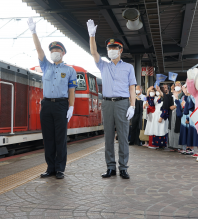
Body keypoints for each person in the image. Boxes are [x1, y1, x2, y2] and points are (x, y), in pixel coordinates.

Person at [28, 18, 77, 179]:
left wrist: (71, 107)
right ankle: (50, 168)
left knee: (60, 138)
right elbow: (38, 49)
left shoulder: (70, 71)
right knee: (48, 138)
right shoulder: (45, 66)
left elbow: (71, 90)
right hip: (47, 105)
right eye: (52, 50)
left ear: (63, 53)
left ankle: (60, 168)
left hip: (62, 105)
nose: (54, 52)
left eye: (57, 50)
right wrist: (33, 32)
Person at [87, 19, 136, 179]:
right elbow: (94, 53)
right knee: (108, 137)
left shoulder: (128, 67)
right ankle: (110, 168)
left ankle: (123, 168)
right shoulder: (103, 66)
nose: (111, 50)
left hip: (122, 103)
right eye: (109, 48)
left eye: (114, 48)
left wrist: (132, 106)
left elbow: (132, 88)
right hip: (107, 103)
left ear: (120, 50)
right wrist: (92, 35)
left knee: (122, 136)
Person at [163, 82, 182, 152]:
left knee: (178, 129)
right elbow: (168, 103)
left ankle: (179, 146)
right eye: (176, 85)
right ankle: (173, 146)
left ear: (181, 86)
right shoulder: (172, 94)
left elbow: (183, 104)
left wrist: (175, 106)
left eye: (178, 85)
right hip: (172, 113)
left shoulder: (182, 94)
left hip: (180, 113)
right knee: (172, 129)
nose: (177, 86)